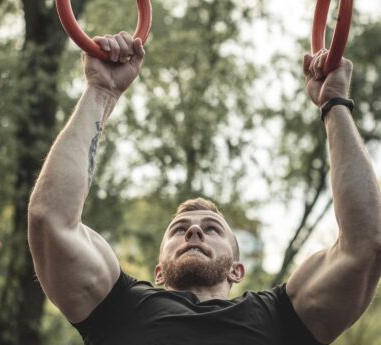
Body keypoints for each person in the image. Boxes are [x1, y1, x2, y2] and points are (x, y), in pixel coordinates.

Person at [28, 32, 381, 345]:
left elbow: (366, 243)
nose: (194, 229)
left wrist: (335, 103)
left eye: (211, 228)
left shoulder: (282, 318)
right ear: (159, 270)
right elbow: (50, 220)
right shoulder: (120, 307)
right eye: (179, 229)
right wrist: (100, 90)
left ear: (237, 270)